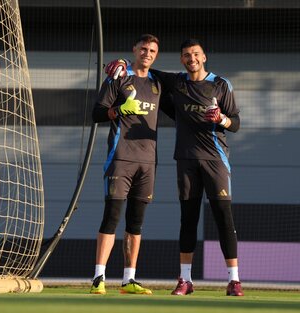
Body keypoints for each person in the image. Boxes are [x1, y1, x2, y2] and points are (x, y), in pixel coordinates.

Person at [105, 38, 244, 296]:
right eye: (186, 56)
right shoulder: (177, 82)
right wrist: (123, 62)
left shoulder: (221, 84)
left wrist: (222, 119)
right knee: (188, 219)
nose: (191, 59)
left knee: (224, 217)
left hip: (216, 161)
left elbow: (236, 122)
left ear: (204, 57)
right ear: (182, 60)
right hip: (186, 160)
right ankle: (186, 280)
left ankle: (234, 280)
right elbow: (147, 69)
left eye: (196, 54)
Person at [90, 34, 170, 295]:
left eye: (152, 50)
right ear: (135, 50)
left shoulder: (159, 82)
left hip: (148, 162)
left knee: (136, 223)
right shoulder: (119, 76)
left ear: (156, 55)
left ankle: (129, 280)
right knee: (111, 218)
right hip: (120, 158)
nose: (147, 53)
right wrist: (120, 110)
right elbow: (97, 113)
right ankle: (98, 278)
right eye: (143, 49)